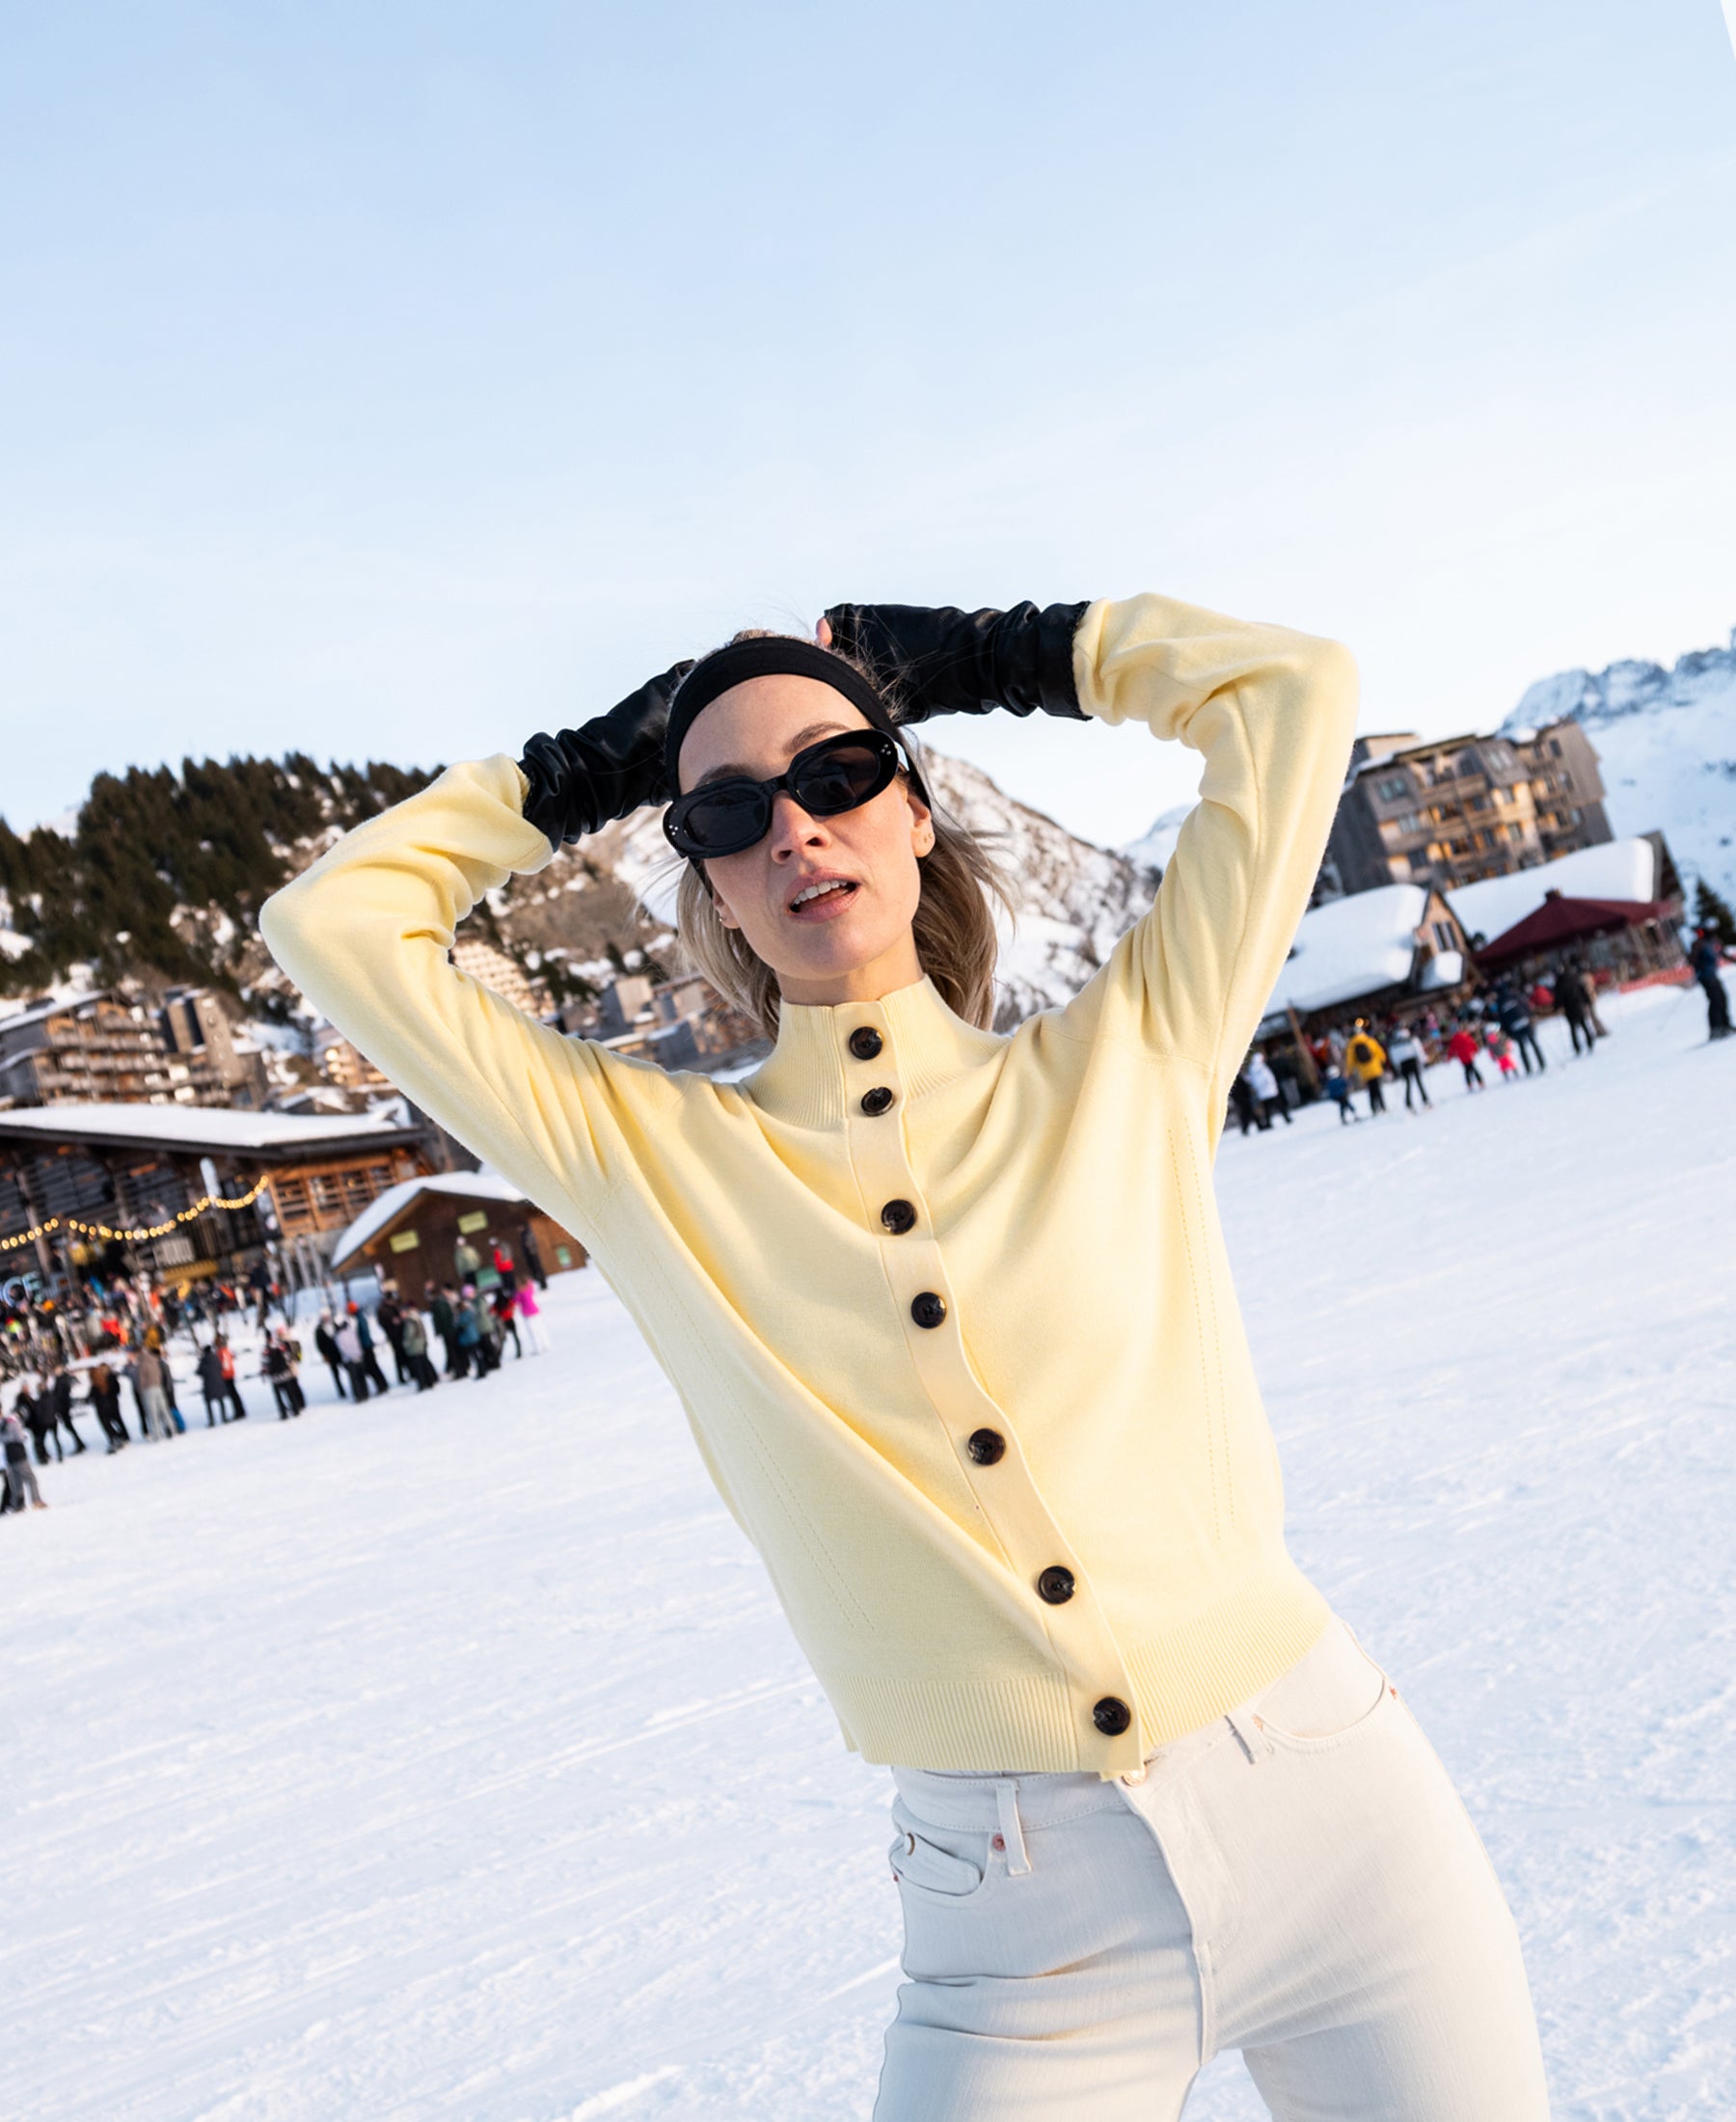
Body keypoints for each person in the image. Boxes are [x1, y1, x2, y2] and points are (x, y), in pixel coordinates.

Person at [261, 593, 1550, 2114]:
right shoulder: (645, 1159)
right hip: (1018, 1931)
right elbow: (332, 922)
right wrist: (591, 766)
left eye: (839, 771)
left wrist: (997, 655)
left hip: (1341, 1817)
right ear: (710, 892)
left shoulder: (1129, 1054)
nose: (795, 829)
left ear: (917, 812)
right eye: (731, 813)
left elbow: (1294, 690)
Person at [1492, 979, 1546, 1075]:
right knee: (1533, 1043)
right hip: (1525, 1022)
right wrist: (1530, 1017)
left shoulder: (1499, 1003)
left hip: (1515, 1027)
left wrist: (1508, 1032)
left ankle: (1528, 1068)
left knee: (1522, 1047)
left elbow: (1502, 1020)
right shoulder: (1515, 996)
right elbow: (1525, 1006)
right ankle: (1542, 1062)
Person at [1689, 926, 1733, 1040]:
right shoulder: (1698, 944)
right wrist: (1698, 964)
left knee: (1722, 998)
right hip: (1704, 976)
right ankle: (1716, 1028)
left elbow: (1722, 953)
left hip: (1712, 974)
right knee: (1715, 1000)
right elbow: (1692, 959)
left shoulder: (1714, 941)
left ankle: (1725, 1025)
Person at [2, 1401, 45, 1510]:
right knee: (31, 1478)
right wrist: (23, 1437)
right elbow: (19, 1436)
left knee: (17, 1481)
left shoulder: (3, 1423)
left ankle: (18, 1505)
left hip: (9, 1454)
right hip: (18, 1453)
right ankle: (36, 1500)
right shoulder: (13, 1421)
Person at [1343, 1019, 1388, 1115]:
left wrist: (1348, 1071)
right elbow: (1378, 1050)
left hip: (1364, 1070)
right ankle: (1383, 1106)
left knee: (1371, 1090)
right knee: (1378, 1088)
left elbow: (1350, 1060)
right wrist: (1383, 1060)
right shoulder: (1368, 1039)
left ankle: (1373, 1108)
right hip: (1374, 1067)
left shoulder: (1351, 1045)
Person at [1554, 960, 1596, 1054]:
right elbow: (1582, 990)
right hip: (1578, 1006)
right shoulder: (1573, 978)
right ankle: (1589, 1042)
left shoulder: (1560, 984)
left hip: (1570, 1009)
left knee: (1573, 1028)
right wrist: (1587, 1001)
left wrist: (1557, 1007)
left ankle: (1577, 1047)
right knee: (1583, 1025)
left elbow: (1558, 998)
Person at [1387, 1021, 1431, 1110]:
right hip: (1412, 1061)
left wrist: (1396, 1066)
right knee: (1418, 1081)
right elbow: (1418, 1050)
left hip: (1403, 1064)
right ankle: (1425, 1100)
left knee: (1408, 1084)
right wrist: (1424, 1060)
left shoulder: (1394, 1042)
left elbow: (1393, 1055)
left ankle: (1408, 1104)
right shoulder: (1411, 1038)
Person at [350, 1303, 392, 1396]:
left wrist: (361, 1345)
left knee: (372, 1367)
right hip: (367, 1346)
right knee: (373, 1367)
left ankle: (382, 1385)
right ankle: (382, 1384)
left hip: (366, 1347)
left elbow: (362, 1334)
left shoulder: (359, 1319)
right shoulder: (359, 1318)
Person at [136, 1345, 176, 1441]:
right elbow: (160, 1374)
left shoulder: (142, 1364)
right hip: (159, 1388)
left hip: (148, 1390)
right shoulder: (154, 1361)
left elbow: (141, 1379)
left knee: (152, 1413)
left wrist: (140, 1390)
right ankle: (172, 1429)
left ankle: (157, 1435)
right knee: (164, 1410)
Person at [48, 1362, 88, 1455]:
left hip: (63, 1406)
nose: (56, 1371)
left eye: (57, 1369)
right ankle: (79, 1443)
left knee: (69, 1426)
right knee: (68, 1426)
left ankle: (80, 1443)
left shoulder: (63, 1379)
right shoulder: (58, 1379)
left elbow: (63, 1393)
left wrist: (60, 1402)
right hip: (61, 1407)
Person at [87, 1362, 129, 1450]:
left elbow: (92, 1397)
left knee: (109, 1424)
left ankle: (118, 1437)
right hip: (109, 1405)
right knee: (114, 1422)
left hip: (105, 1407)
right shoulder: (103, 1381)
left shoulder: (99, 1383)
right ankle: (120, 1436)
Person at [263, 1333, 306, 1418]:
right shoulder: (279, 1347)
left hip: (279, 1376)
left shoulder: (269, 1349)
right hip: (282, 1375)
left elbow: (264, 1363)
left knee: (285, 1395)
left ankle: (288, 1411)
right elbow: (288, 1358)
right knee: (288, 1394)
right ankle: (293, 1409)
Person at [1245, 1047, 1289, 1126]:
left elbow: (1251, 1080)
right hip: (1270, 1091)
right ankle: (1286, 1118)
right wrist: (1272, 1086)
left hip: (1263, 1093)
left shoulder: (1252, 1069)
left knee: (1267, 1109)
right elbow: (1268, 1078)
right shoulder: (1261, 1068)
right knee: (1279, 1106)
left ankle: (1269, 1123)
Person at [398, 1305, 439, 1390]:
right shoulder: (416, 1318)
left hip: (415, 1346)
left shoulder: (409, 1321)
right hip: (420, 1344)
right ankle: (430, 1380)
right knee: (424, 1363)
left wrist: (406, 1342)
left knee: (418, 1366)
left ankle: (422, 1383)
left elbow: (410, 1333)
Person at [197, 1340, 233, 1426]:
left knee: (208, 1403)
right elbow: (221, 1368)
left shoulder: (203, 1360)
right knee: (221, 1401)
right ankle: (224, 1417)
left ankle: (212, 1420)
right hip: (219, 1383)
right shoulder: (216, 1358)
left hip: (208, 1385)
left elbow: (199, 1371)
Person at [334, 1315, 369, 1401]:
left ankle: (364, 1394)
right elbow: (343, 1349)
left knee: (359, 1377)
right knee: (355, 1378)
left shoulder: (349, 1332)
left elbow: (356, 1343)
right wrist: (355, 1355)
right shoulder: (339, 1336)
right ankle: (359, 1395)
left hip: (355, 1358)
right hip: (351, 1359)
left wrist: (358, 1354)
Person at [314, 1310, 349, 1399]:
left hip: (340, 1352)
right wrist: (324, 1355)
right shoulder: (319, 1330)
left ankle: (355, 1386)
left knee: (349, 1369)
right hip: (330, 1355)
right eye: (324, 1317)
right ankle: (341, 1392)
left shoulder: (334, 1324)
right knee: (336, 1375)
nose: (326, 1318)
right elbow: (319, 1344)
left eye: (327, 1316)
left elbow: (342, 1334)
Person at [515, 1271, 551, 1355]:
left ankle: (538, 1348)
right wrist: (528, 1280)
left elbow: (515, 1301)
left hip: (528, 1314)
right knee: (541, 1328)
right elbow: (531, 1284)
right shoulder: (530, 1290)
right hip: (535, 1311)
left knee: (533, 1332)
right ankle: (546, 1344)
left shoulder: (520, 1293)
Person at [1447, 1021, 1485, 1090]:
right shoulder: (1465, 1035)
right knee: (1473, 1069)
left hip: (1463, 1058)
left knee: (1467, 1071)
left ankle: (1469, 1084)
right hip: (1469, 1056)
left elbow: (1452, 1050)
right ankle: (1480, 1082)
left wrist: (1449, 1057)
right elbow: (1472, 1043)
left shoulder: (1454, 1039)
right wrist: (1476, 1049)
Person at [519, 1221, 549, 1291]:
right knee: (534, 1270)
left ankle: (543, 1284)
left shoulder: (528, 1233)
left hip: (533, 1253)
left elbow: (532, 1243)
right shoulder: (522, 1235)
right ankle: (540, 1284)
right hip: (528, 1255)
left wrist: (530, 1248)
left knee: (538, 1269)